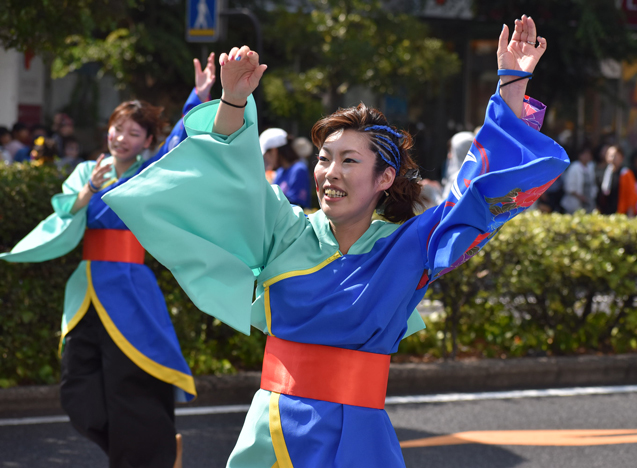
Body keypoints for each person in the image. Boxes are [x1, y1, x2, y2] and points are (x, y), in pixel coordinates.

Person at [105, 16, 568, 467]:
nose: (331, 173)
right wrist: (232, 102)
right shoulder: (285, 230)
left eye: (350, 160)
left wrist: (511, 86)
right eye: (325, 159)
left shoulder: (409, 246)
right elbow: (230, 180)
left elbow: (476, 195)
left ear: (385, 177)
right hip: (272, 434)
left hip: (359, 440)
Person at [0, 54, 217, 468]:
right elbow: (64, 220)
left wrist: (199, 96)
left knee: (132, 385)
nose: (121, 137)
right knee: (77, 392)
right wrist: (85, 195)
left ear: (147, 141)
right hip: (86, 288)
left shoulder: (150, 172)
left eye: (134, 132)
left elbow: (180, 146)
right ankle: (151, 452)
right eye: (118, 128)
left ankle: (148, 456)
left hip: (129, 288)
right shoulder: (86, 171)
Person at [260, 127, 312, 208]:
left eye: (266, 155)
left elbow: (297, 204)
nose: (266, 159)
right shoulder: (280, 172)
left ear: (274, 151)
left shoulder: (299, 169)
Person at [598, 144, 637, 216]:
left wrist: (631, 212)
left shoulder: (626, 173)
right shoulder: (605, 172)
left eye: (615, 155)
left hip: (621, 212)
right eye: (609, 155)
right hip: (606, 211)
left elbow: (632, 195)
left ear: (621, 157)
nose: (612, 158)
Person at [561, 145, 597, 213]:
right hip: (574, 203)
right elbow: (569, 187)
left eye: (589, 154)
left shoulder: (590, 167)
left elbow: (593, 184)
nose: (587, 156)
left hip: (588, 203)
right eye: (585, 154)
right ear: (580, 155)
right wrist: (581, 197)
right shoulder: (574, 167)